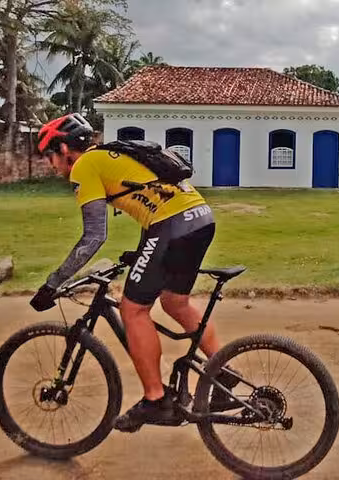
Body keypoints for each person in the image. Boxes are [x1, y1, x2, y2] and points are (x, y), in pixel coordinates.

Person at [31, 113, 234, 432]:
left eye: (49, 156)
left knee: (133, 309)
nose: (50, 164)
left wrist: (53, 283)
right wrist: (142, 250)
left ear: (64, 148)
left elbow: (94, 236)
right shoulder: (112, 154)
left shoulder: (85, 166)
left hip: (173, 226)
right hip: (200, 219)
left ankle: (156, 400)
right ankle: (223, 373)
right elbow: (152, 201)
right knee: (174, 303)